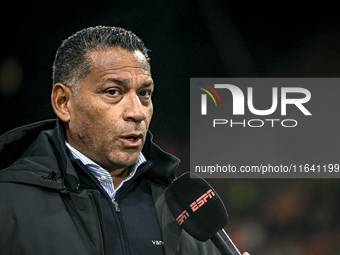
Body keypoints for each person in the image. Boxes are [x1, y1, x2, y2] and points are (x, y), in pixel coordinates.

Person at [0, 26, 250, 255]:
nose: (137, 112)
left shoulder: (180, 208)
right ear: (63, 102)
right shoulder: (8, 201)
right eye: (113, 92)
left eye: (144, 94)